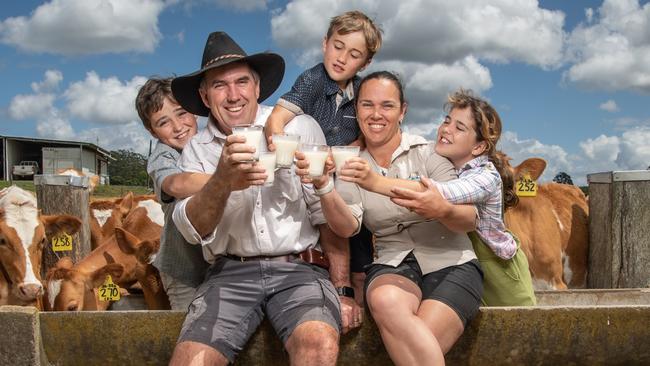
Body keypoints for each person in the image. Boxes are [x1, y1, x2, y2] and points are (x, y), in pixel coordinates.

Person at [167, 31, 359, 366]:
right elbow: (191, 230)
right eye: (219, 85)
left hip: (300, 269)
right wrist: (222, 181)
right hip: (230, 273)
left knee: (318, 345)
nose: (233, 95)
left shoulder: (297, 127)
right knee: (190, 362)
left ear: (257, 88)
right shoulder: (196, 150)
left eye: (242, 82)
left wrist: (342, 290)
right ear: (205, 95)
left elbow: (325, 218)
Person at [296, 71, 483, 366]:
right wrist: (324, 187)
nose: (376, 114)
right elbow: (347, 225)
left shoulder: (428, 154)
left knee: (416, 348)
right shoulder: (350, 161)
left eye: (387, 106)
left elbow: (470, 218)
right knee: (385, 300)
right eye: (367, 105)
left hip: (452, 261)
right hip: (392, 262)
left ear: (403, 111)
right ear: (356, 110)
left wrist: (442, 209)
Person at [265, 10, 383, 305]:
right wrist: (287, 157)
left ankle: (359, 314)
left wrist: (338, 153)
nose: (342, 58)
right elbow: (276, 120)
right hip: (307, 180)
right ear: (325, 43)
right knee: (323, 257)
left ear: (365, 63)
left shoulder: (363, 91)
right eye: (338, 46)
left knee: (360, 260)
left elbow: (367, 137)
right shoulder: (313, 80)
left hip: (344, 183)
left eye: (354, 54)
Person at [400, 89, 536, 306]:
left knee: (520, 328)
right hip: (467, 265)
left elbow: (447, 192)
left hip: (499, 269)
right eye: (447, 121)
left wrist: (383, 182)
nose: (446, 129)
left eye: (459, 127)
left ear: (479, 147)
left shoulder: (485, 176)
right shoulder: (446, 167)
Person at [135, 77, 210, 310]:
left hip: (218, 267)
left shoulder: (209, 144)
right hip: (184, 270)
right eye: (163, 122)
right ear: (152, 131)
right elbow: (176, 186)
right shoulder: (163, 157)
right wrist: (229, 178)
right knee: (189, 324)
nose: (178, 127)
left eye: (182, 113)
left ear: (195, 110)